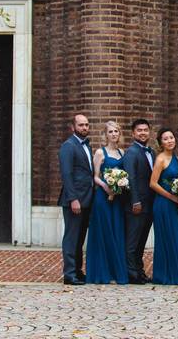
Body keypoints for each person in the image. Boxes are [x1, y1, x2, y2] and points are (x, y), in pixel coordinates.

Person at [86, 120, 129, 284]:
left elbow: (124, 175)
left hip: (117, 199)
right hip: (103, 198)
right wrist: (106, 186)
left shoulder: (122, 153)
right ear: (105, 135)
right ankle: (102, 272)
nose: (113, 134)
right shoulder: (100, 153)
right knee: (104, 232)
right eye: (110, 132)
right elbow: (95, 176)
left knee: (116, 231)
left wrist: (120, 185)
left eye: (116, 131)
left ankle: (115, 271)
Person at [149, 127, 178, 285]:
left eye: (171, 137)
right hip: (163, 204)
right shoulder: (160, 159)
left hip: (174, 204)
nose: (169, 141)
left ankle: (176, 273)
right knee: (167, 237)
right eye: (165, 139)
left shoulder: (175, 157)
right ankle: (165, 275)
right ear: (161, 142)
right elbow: (152, 183)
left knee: (177, 237)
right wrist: (172, 197)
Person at [58, 114, 94, 285]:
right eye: (81, 125)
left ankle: (78, 271)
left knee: (80, 238)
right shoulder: (68, 146)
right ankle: (69, 273)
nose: (84, 128)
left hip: (87, 199)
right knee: (72, 237)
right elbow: (67, 174)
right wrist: (73, 199)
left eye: (86, 125)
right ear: (73, 127)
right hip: (75, 200)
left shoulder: (87, 146)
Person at [121, 118, 154, 284]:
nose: (143, 133)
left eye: (145, 130)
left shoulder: (151, 152)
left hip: (149, 204)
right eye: (139, 130)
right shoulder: (131, 152)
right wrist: (135, 201)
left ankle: (139, 270)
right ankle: (131, 273)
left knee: (142, 240)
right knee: (132, 241)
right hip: (136, 204)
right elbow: (131, 177)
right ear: (133, 133)